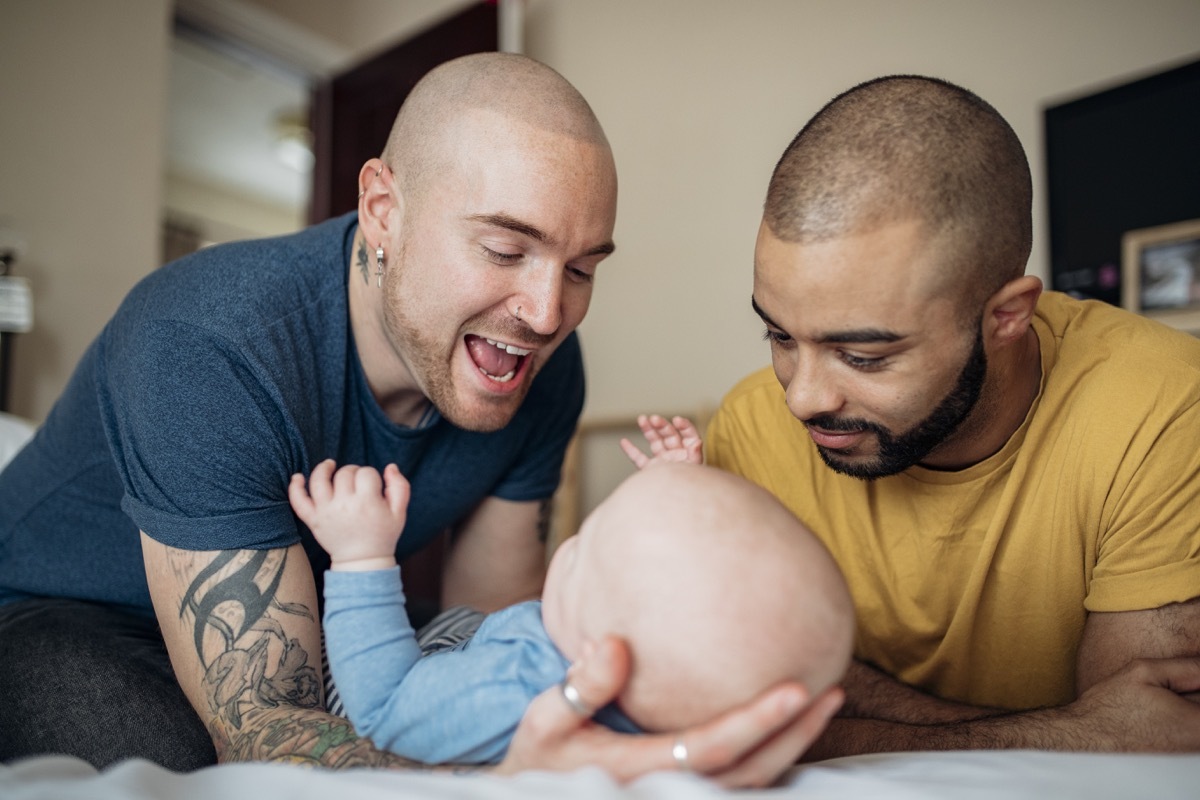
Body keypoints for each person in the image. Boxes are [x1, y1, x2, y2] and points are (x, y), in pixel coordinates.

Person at [0, 53, 835, 784]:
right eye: (506, 250)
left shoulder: (541, 372)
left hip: (320, 634)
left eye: (581, 267)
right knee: (177, 764)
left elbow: (495, 630)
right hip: (53, 612)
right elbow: (265, 731)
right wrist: (512, 772)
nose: (547, 313)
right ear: (383, 211)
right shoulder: (206, 340)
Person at [704, 74, 1200, 757]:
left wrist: (852, 712)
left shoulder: (1165, 407)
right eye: (781, 337)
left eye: (862, 355)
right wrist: (1060, 731)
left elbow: (1143, 748)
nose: (801, 397)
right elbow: (733, 715)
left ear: (1007, 316)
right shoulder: (751, 427)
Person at [289, 447, 853, 765]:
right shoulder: (661, 705)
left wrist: (363, 555)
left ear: (595, 656)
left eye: (586, 547)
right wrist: (669, 488)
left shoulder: (520, 685)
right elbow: (689, 590)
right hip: (464, 640)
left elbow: (386, 704)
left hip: (378, 674)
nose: (571, 542)